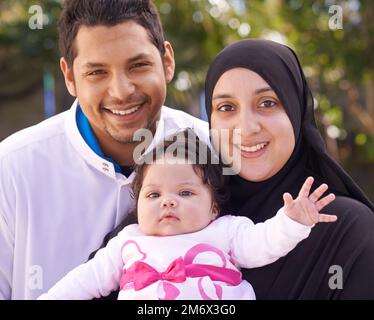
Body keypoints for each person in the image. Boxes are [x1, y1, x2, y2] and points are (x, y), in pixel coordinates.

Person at [0, 0, 208, 300]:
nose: (121, 92)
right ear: (70, 76)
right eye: (97, 72)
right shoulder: (12, 170)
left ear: (167, 62)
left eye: (138, 65)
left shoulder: (212, 152)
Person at [37, 130, 337, 300]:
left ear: (214, 206)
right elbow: (83, 281)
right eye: (153, 195)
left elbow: (263, 244)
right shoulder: (127, 242)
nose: (167, 202)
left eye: (185, 193)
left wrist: (292, 221)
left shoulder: (226, 231)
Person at [204, 39, 374, 299]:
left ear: (296, 110)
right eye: (227, 108)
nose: (246, 128)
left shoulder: (348, 230)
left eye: (267, 103)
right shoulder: (181, 208)